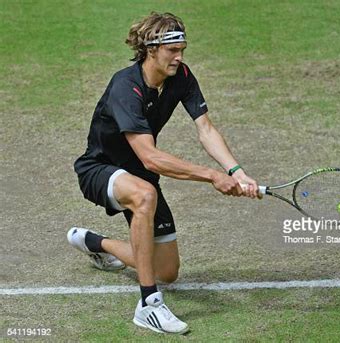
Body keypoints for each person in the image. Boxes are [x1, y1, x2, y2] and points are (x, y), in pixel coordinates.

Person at [67, 12, 259, 335]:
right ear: (151, 49)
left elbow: (206, 129)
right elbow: (151, 158)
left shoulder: (180, 76)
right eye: (173, 50)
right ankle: (148, 304)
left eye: (182, 49)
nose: (180, 57)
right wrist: (212, 176)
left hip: (140, 174)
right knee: (145, 194)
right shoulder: (125, 87)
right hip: (100, 169)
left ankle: (96, 243)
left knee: (167, 270)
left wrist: (236, 170)